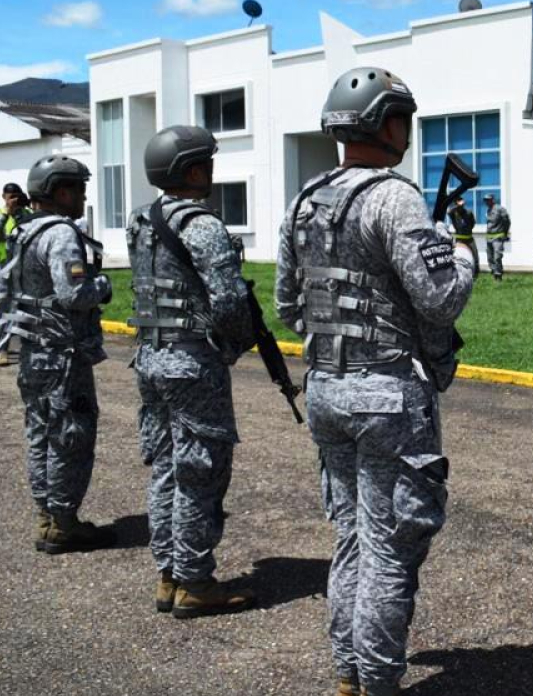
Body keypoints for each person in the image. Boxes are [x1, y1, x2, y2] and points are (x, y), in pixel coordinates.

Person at [276, 67, 474, 696]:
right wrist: (462, 251)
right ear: (386, 124)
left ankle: (349, 673)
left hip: (327, 390)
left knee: (351, 537)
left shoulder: (306, 198)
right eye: (404, 120)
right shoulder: (394, 197)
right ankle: (379, 682)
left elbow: (288, 305)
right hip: (387, 396)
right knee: (389, 549)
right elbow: (439, 298)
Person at [128, 125, 259, 619]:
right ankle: (195, 581)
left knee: (166, 467)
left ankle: (169, 573)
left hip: (149, 357)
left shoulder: (141, 221)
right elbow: (227, 300)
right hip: (191, 364)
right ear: (190, 170)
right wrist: (235, 343)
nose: (212, 169)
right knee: (200, 471)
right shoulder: (202, 225)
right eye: (206, 162)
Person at [0, 156, 115, 554]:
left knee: (40, 433)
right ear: (61, 191)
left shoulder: (24, 231)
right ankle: (64, 523)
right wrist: (103, 286)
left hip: (32, 351)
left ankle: (47, 514)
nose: (83, 196)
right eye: (79, 188)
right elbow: (74, 295)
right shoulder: (62, 234)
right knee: (71, 435)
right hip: (62, 355)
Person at [0, 183, 33, 366]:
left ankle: (29, 347)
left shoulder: (27, 215)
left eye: (16, 196)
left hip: (24, 270)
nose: (13, 199)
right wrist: (7, 213)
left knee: (29, 309)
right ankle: (1, 349)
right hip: (3, 271)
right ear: (3, 196)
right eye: (10, 196)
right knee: (2, 311)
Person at [482, 193, 510, 281]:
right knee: (490, 258)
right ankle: (494, 272)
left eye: (488, 200)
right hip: (489, 237)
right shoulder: (488, 210)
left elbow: (507, 221)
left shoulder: (500, 209)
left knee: (497, 257)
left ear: (492, 200)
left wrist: (505, 233)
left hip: (498, 237)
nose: (487, 202)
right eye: (485, 200)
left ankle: (498, 275)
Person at [447, 195, 477, 265]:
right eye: (458, 202)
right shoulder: (453, 213)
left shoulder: (468, 212)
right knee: (457, 255)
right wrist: (456, 205)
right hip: (459, 240)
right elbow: (448, 212)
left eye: (461, 203)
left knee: (475, 255)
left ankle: (476, 271)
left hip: (469, 239)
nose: (461, 206)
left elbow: (472, 224)